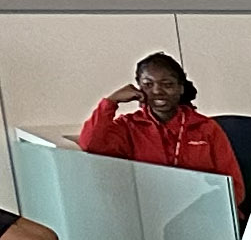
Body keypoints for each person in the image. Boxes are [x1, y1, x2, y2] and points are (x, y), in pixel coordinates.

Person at [77, 51, 242, 190]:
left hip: (204, 211)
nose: (157, 91)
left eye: (167, 84)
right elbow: (90, 144)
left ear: (180, 88)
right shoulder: (129, 126)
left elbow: (235, 187)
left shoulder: (206, 128)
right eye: (148, 84)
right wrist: (111, 102)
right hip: (148, 211)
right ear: (139, 88)